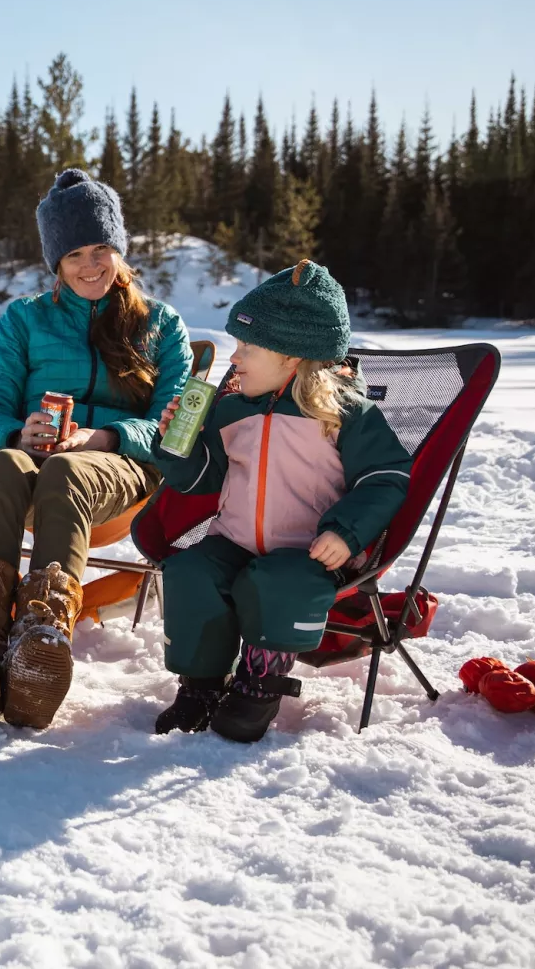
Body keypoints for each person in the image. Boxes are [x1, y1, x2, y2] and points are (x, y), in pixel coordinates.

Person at [0, 169, 192, 729]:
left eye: (101, 249)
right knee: (2, 462)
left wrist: (106, 437)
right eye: (74, 256)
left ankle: (42, 639)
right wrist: (21, 433)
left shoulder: (161, 326)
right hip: (32, 466)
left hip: (121, 475)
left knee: (67, 468)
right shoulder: (23, 320)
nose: (91, 266)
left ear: (118, 249)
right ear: (55, 264)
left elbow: (178, 432)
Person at [150, 260, 411, 743]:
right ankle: (200, 685)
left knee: (279, 580)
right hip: (234, 540)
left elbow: (386, 477)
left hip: (309, 551)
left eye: (248, 347)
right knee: (190, 573)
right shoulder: (230, 408)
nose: (235, 359)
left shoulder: (347, 414)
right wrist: (174, 445)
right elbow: (202, 480)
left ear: (293, 356)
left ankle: (259, 683)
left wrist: (346, 531)